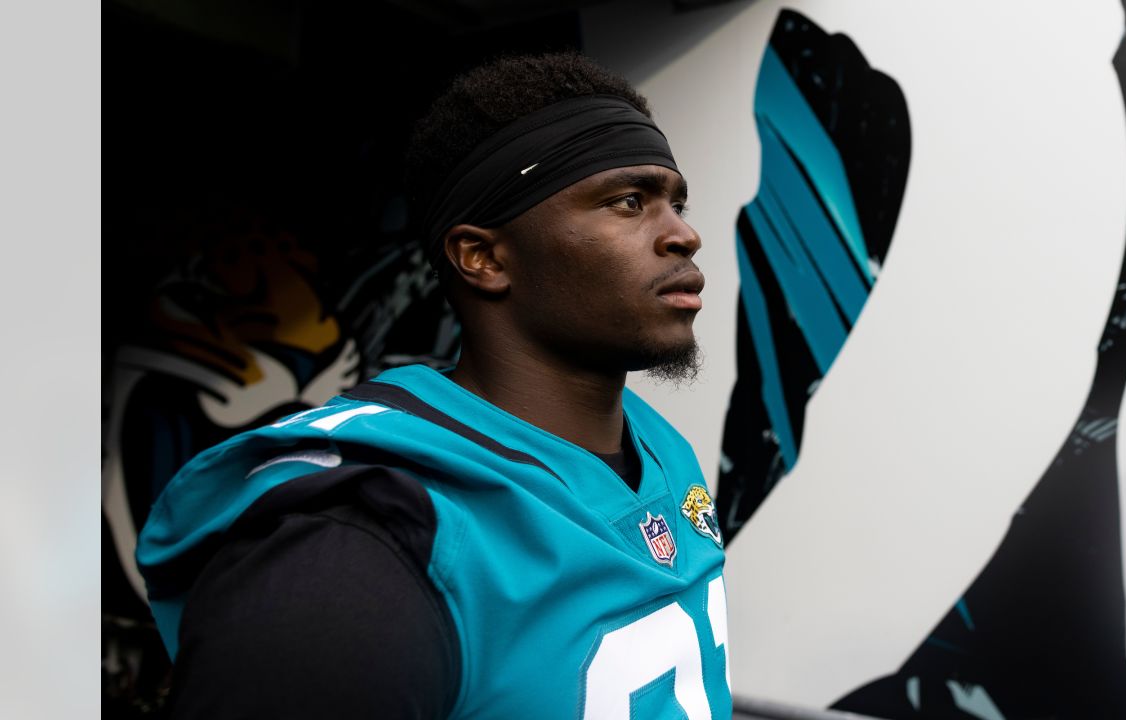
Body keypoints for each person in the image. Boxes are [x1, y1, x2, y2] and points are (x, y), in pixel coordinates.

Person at [136, 51, 731, 719]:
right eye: (629, 202)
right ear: (484, 258)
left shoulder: (658, 446)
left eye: (675, 202)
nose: (685, 235)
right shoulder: (353, 551)